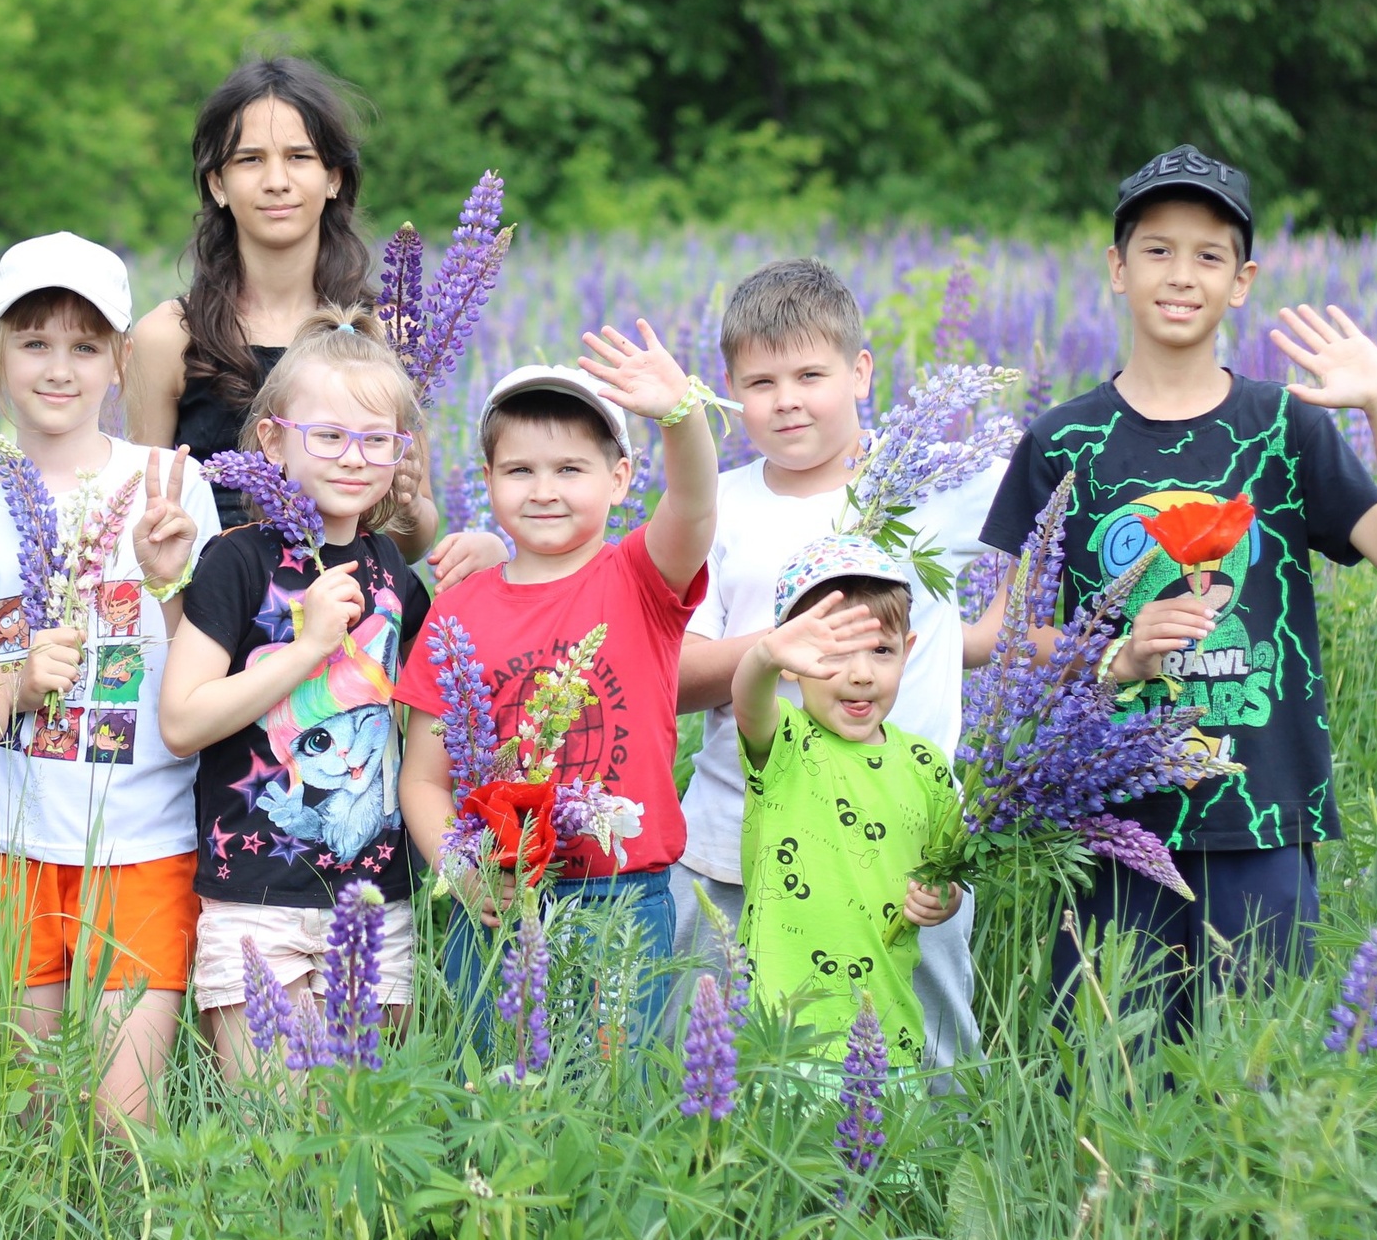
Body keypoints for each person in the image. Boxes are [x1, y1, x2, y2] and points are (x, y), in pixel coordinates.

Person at [979, 146, 1377, 1035]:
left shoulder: (1283, 425)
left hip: (1263, 814)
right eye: (1156, 249)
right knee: (1110, 1078)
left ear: (1242, 280)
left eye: (1208, 254)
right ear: (1117, 269)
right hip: (1109, 822)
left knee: (1255, 1087)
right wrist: (1111, 650)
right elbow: (999, 637)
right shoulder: (1062, 438)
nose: (1180, 274)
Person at [671, 258, 997, 1065]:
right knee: (716, 1052)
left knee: (927, 1050)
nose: (787, 399)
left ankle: (928, 1186)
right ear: (729, 387)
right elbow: (674, 674)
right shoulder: (719, 504)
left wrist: (991, 632)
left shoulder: (929, 479)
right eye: (761, 380)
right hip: (737, 838)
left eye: (811, 374)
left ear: (860, 372)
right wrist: (784, 648)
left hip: (908, 842)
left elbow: (1050, 506)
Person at [0, 232, 220, 1129]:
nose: (60, 368)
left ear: (121, 360)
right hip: (4, 841)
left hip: (143, 836)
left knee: (119, 1117)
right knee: (23, 1118)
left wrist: (168, 578)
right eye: (34, 342)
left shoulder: (171, 482)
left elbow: (207, 659)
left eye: (86, 345)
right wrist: (17, 684)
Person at [397, 332, 717, 1044]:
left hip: (618, 894)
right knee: (498, 1094)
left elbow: (694, 506)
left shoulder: (638, 578)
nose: (544, 489)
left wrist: (681, 415)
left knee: (607, 1096)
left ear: (622, 477)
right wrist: (462, 865)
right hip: (496, 899)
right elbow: (422, 777)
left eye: (570, 467)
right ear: (486, 480)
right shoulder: (457, 608)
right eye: (519, 470)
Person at [158, 307, 431, 1073]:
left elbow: (437, 710)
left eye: (377, 439)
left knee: (357, 1126)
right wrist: (306, 647)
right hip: (256, 896)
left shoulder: (395, 573)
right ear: (273, 441)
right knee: (269, 1133)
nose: (354, 456)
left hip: (380, 894)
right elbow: (182, 720)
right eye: (330, 435)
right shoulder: (235, 560)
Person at [126, 55, 439, 553]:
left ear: (334, 177)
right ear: (217, 184)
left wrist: (406, 501)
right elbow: (145, 514)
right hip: (213, 615)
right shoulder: (169, 335)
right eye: (250, 159)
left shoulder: (387, 330)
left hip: (351, 611)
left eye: (299, 157)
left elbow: (411, 542)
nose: (277, 180)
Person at [728, 538, 966, 1063]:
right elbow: (748, 701)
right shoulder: (786, 740)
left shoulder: (926, 764)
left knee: (878, 1140)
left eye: (882, 650)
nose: (862, 673)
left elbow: (946, 873)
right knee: (790, 1144)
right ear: (794, 663)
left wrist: (943, 901)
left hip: (886, 1020)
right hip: (783, 1022)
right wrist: (765, 655)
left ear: (909, 648)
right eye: (834, 653)